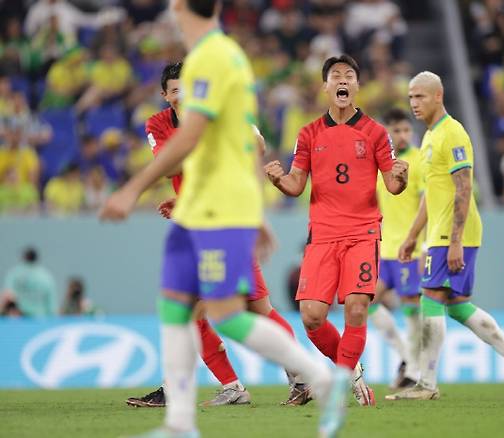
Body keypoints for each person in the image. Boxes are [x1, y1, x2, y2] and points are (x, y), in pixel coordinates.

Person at [99, 1, 349, 437]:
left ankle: (318, 377)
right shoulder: (215, 59)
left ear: (180, 8)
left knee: (228, 314)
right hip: (194, 210)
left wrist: (132, 188)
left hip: (217, 210)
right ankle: (180, 423)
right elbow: (244, 140)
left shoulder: (215, 59)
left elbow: (198, 140)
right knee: (175, 309)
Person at [126, 61, 311, 409]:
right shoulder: (159, 123)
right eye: (175, 90)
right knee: (247, 309)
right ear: (166, 96)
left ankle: (232, 385)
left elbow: (257, 145)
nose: (182, 97)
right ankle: (290, 378)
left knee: (238, 309)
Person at [264, 54, 410, 407]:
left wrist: (402, 177)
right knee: (312, 317)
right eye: (335, 76)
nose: (342, 80)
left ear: (357, 87)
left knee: (357, 308)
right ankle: (353, 371)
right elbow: (297, 184)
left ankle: (340, 387)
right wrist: (279, 180)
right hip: (323, 235)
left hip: (362, 233)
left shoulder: (376, 132)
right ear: (326, 87)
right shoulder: (308, 133)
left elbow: (392, 185)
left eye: (349, 76)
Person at [387, 71, 504, 402]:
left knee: (429, 296)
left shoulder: (453, 133)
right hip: (440, 232)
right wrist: (413, 235)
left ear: (438, 96)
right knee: (456, 307)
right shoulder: (429, 137)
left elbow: (464, 186)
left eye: (420, 96)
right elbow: (432, 192)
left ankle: (426, 383)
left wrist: (455, 239)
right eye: (411, 97)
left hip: (453, 232)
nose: (414, 103)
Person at [370, 108, 424, 390]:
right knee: (366, 301)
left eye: (406, 130)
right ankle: (407, 357)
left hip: (409, 250)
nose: (403, 136)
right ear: (387, 133)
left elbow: (429, 206)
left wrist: (423, 244)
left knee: (411, 309)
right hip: (383, 250)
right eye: (397, 131)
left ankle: (415, 370)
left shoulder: (418, 162)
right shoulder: (379, 164)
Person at [2, 247, 57, 317]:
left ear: (24, 257)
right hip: (41, 319)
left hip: (19, 318)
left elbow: (8, 295)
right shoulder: (46, 276)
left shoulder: (15, 273)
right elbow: (52, 306)